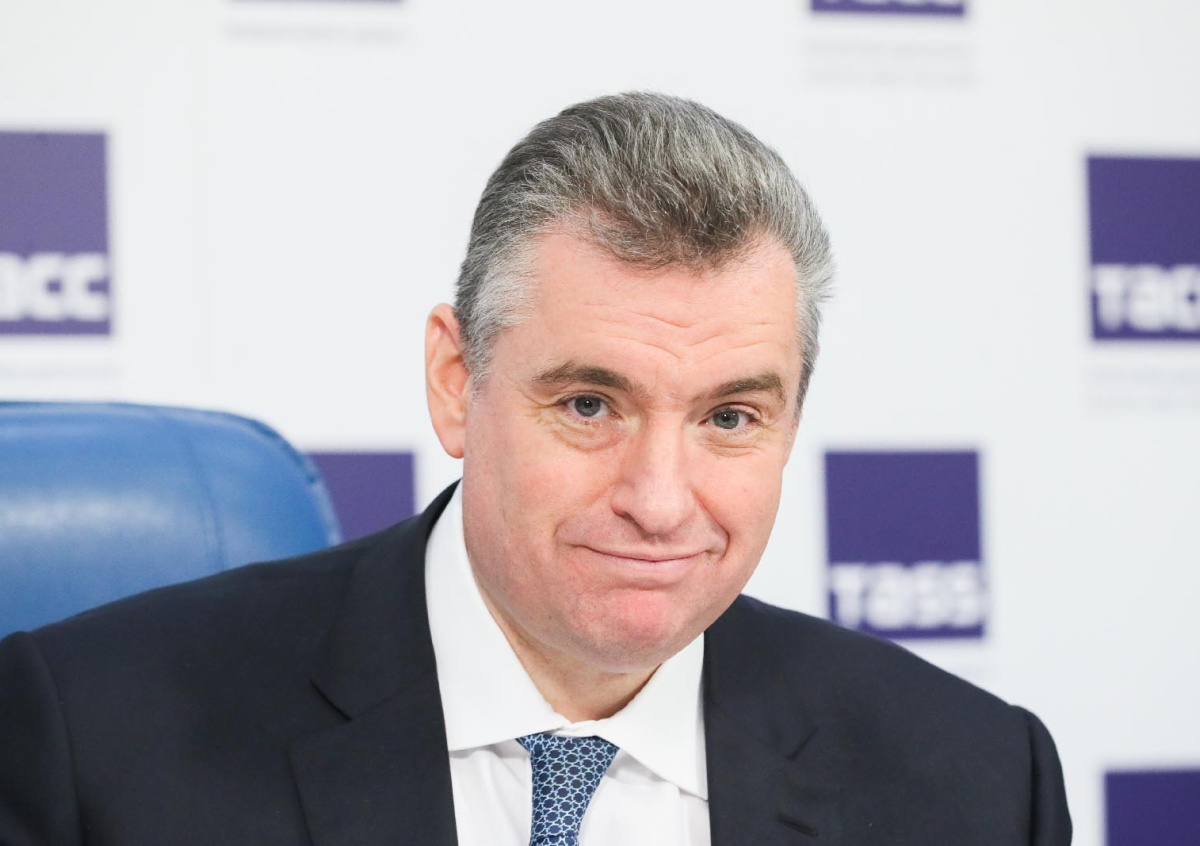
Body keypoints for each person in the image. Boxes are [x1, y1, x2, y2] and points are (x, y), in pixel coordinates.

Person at [0, 92, 1071, 845]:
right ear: (455, 380)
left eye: (730, 417)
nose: (660, 501)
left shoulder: (977, 785)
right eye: (590, 405)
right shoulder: (91, 742)